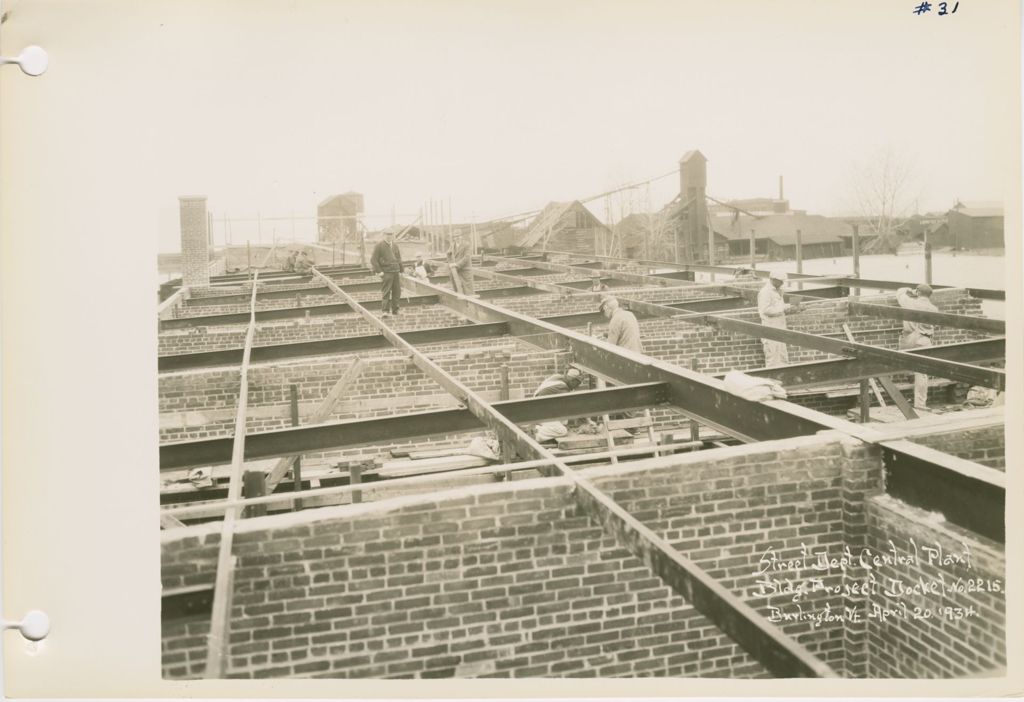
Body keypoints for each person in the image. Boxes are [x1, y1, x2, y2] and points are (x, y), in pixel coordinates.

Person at [896, 284, 938, 409]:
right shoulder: (933, 308)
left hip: (908, 340)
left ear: (918, 292)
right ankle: (920, 404)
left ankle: (908, 375)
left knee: (903, 364)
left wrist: (909, 290)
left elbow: (899, 292)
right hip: (924, 340)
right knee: (922, 374)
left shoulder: (910, 303)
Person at [757, 271, 800, 368]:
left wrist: (792, 308)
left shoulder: (778, 291)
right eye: (780, 281)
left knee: (782, 356)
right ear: (773, 280)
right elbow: (765, 310)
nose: (782, 283)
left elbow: (779, 308)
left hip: (780, 329)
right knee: (772, 357)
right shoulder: (765, 292)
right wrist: (783, 308)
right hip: (770, 329)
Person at [532, 366, 585, 442]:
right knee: (562, 431)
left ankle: (541, 426)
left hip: (539, 408)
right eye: (577, 383)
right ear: (572, 380)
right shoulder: (562, 387)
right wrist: (586, 420)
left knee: (564, 420)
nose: (578, 386)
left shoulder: (557, 377)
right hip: (539, 412)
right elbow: (573, 407)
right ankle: (535, 434)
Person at [370, 230, 403, 317]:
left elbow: (399, 259)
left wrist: (401, 271)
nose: (389, 236)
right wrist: (379, 271)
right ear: (383, 235)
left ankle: (395, 310)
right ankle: (385, 311)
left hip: (396, 271)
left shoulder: (395, 245)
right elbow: (373, 260)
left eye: (391, 234)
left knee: (397, 292)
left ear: (393, 235)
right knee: (386, 291)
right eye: (387, 235)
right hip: (386, 272)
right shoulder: (379, 246)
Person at [447, 231, 476, 296]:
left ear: (461, 236)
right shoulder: (452, 245)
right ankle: (459, 301)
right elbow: (448, 254)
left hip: (465, 269)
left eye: (458, 236)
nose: (457, 238)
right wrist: (450, 263)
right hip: (455, 270)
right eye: (455, 237)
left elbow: (467, 257)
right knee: (456, 287)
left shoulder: (466, 245)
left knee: (468, 289)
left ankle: (470, 303)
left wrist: (457, 264)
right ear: (454, 238)